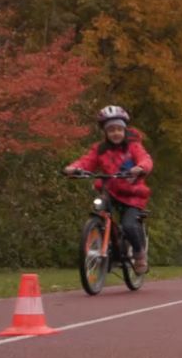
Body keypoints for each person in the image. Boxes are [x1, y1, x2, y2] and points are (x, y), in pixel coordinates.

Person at [64, 105, 153, 274]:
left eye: (119, 129)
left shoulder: (133, 147)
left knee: (128, 225)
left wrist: (140, 167)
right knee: (101, 212)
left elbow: (145, 159)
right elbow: (86, 161)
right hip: (109, 191)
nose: (115, 133)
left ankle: (139, 254)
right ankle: (109, 249)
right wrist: (74, 168)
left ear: (125, 130)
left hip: (133, 194)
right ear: (105, 132)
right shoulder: (100, 149)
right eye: (111, 130)